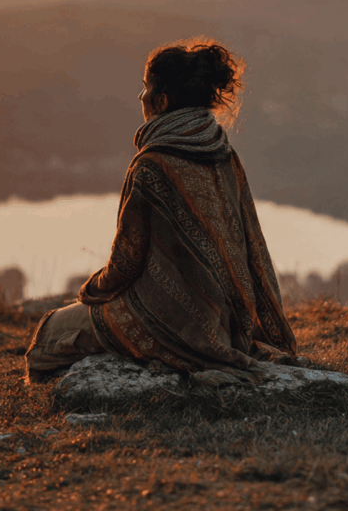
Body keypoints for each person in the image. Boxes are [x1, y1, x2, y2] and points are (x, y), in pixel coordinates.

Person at [25, 39, 297, 383]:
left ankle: (62, 397)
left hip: (168, 321)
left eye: (144, 88)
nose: (140, 97)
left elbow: (125, 263)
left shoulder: (152, 165)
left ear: (161, 101)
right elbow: (249, 243)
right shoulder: (224, 153)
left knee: (49, 333)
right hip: (231, 321)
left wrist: (91, 290)